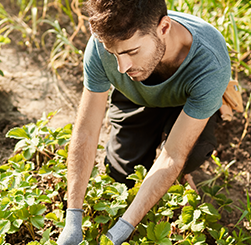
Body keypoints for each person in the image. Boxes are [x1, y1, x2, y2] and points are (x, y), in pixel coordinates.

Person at [57, 0, 231, 244]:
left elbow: (172, 155)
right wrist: (73, 219)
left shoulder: (210, 62)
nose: (121, 66)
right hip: (136, 96)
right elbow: (86, 130)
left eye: (131, 51)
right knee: (120, 176)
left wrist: (120, 232)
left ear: (163, 28)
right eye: (113, 53)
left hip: (185, 101)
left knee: (189, 155)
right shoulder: (102, 45)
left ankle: (191, 158)